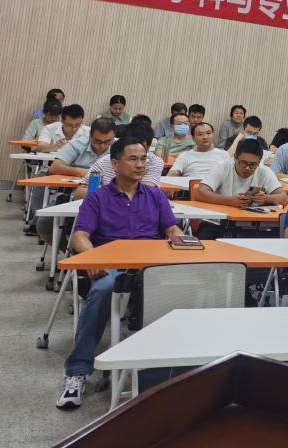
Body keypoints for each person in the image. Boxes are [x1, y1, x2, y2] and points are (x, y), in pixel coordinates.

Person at [55, 136, 184, 409]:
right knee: (102, 291)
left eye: (144, 159)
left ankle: (172, 370)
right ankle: (77, 371)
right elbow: (80, 236)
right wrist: (92, 258)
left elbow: (171, 229)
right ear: (115, 164)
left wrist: (180, 239)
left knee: (185, 287)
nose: (141, 165)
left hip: (150, 266)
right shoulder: (97, 198)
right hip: (112, 266)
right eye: (133, 159)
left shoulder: (155, 196)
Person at [195, 138, 286, 238]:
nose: (247, 168)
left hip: (251, 227)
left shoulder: (264, 171)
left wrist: (266, 198)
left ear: (259, 161)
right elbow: (200, 192)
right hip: (217, 224)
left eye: (253, 164)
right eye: (243, 163)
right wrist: (230, 201)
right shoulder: (222, 167)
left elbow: (284, 198)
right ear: (235, 158)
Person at [77, 121, 163, 191]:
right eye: (133, 158)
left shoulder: (154, 162)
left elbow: (146, 193)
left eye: (141, 148)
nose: (139, 165)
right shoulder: (105, 161)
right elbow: (80, 191)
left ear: (149, 146)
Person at [49, 118, 118, 178]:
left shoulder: (120, 148)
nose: (102, 146)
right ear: (90, 135)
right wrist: (79, 171)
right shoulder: (77, 145)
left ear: (114, 136)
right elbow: (54, 168)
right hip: (75, 186)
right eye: (97, 141)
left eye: (107, 141)